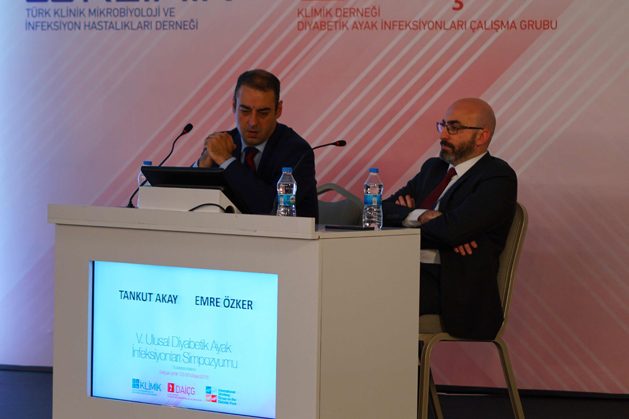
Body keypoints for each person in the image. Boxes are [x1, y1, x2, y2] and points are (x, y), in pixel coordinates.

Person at [382, 98, 517, 339]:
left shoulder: (497, 177)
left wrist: (411, 223)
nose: (443, 135)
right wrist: (423, 216)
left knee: (377, 297)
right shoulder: (433, 169)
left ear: (482, 136)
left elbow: (451, 230)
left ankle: (396, 364)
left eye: (453, 128)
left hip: (450, 286)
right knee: (351, 284)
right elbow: (379, 212)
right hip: (406, 269)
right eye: (443, 126)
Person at [197, 69, 318, 219]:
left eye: (263, 113)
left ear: (278, 110)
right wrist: (201, 168)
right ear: (234, 106)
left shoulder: (297, 152)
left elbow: (273, 209)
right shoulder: (222, 143)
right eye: (245, 111)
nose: (253, 122)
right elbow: (189, 204)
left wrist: (226, 161)